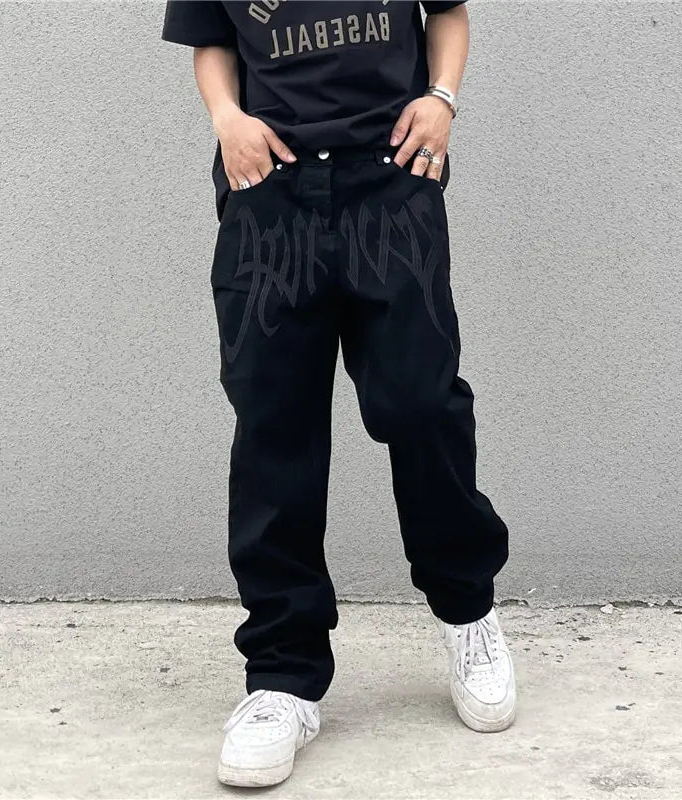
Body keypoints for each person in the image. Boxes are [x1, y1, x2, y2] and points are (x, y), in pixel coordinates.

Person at [161, 0, 515, 787]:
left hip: (389, 184)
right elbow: (210, 41)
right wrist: (227, 118)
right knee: (274, 425)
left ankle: (467, 611)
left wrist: (442, 99)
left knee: (420, 404)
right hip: (270, 194)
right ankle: (281, 678)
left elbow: (448, 13)